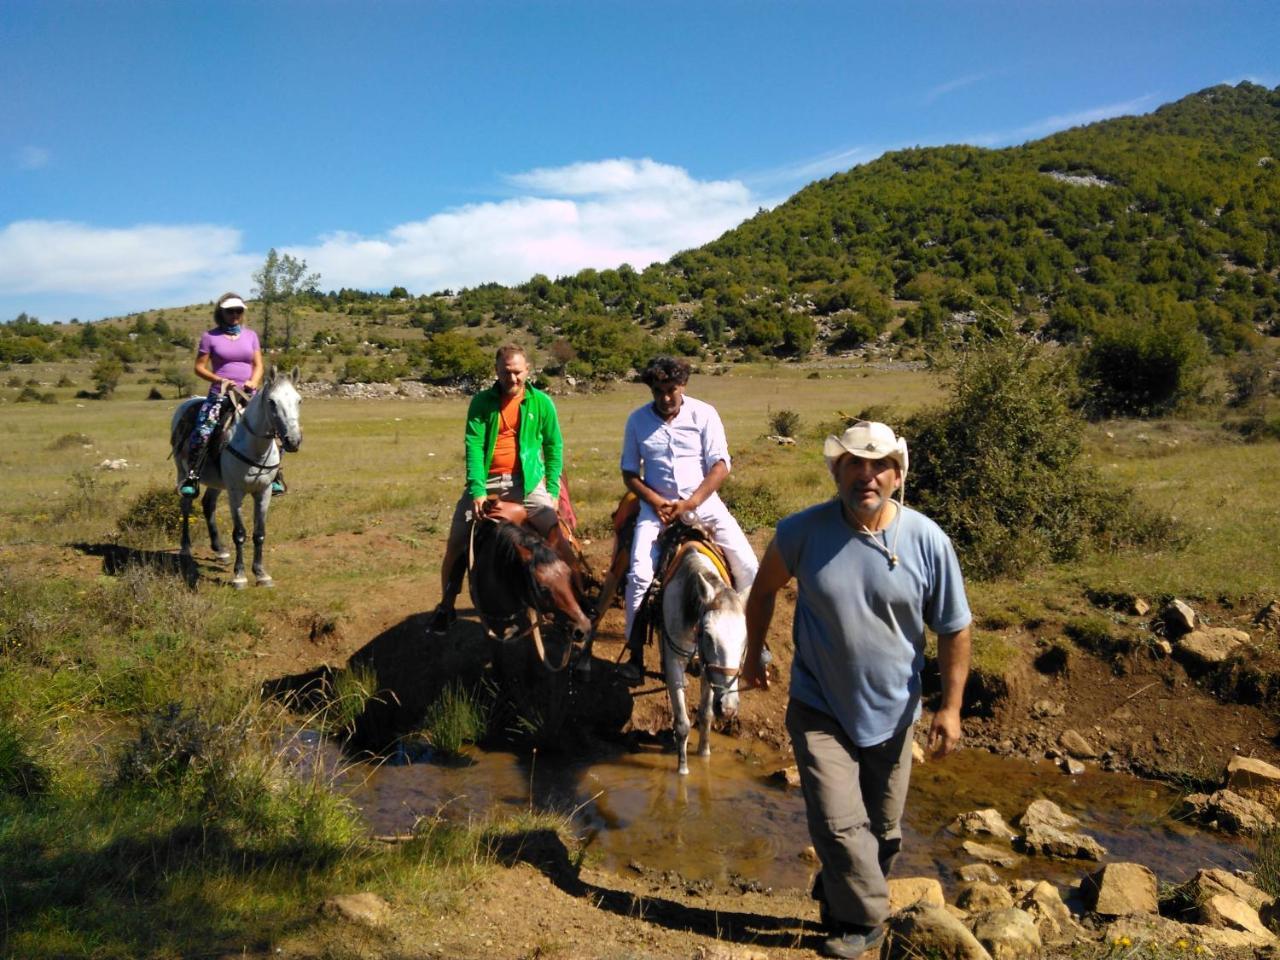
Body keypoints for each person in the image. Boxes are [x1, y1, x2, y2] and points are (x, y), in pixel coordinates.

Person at [741, 421, 972, 959]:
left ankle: (836, 889)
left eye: (879, 465)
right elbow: (762, 591)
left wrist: (951, 707)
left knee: (883, 832)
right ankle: (865, 924)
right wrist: (756, 653)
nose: (866, 476)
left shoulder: (927, 540)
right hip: (819, 706)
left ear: (897, 475)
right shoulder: (801, 532)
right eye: (854, 464)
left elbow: (955, 627)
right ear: (836, 471)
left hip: (895, 714)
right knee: (841, 825)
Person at [619, 356, 758, 680]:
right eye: (658, 391)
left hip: (705, 505)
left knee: (750, 567)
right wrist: (656, 501)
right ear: (651, 389)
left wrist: (691, 502)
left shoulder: (704, 414)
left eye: (672, 389)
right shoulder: (637, 421)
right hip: (657, 512)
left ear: (683, 386)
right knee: (639, 574)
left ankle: (747, 642)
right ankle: (635, 654)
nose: (666, 398)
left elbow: (720, 465)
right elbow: (629, 472)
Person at [427, 344, 564, 635]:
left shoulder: (542, 403)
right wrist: (477, 491)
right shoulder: (481, 403)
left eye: (517, 372)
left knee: (557, 536)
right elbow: (474, 447)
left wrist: (551, 490)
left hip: (527, 483)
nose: (512, 379)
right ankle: (446, 605)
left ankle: (570, 599)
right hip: (488, 484)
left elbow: (554, 446)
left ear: (527, 371)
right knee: (458, 542)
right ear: (497, 372)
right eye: (506, 372)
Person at [180, 293, 286, 499]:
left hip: (249, 396)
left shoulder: (251, 336)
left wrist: (254, 381)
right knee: (203, 430)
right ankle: (192, 476)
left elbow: (258, 365)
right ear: (221, 312)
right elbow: (199, 367)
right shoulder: (210, 337)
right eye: (230, 311)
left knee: (276, 429)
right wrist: (218, 380)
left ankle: (275, 475)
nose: (235, 314)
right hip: (220, 395)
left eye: (238, 310)